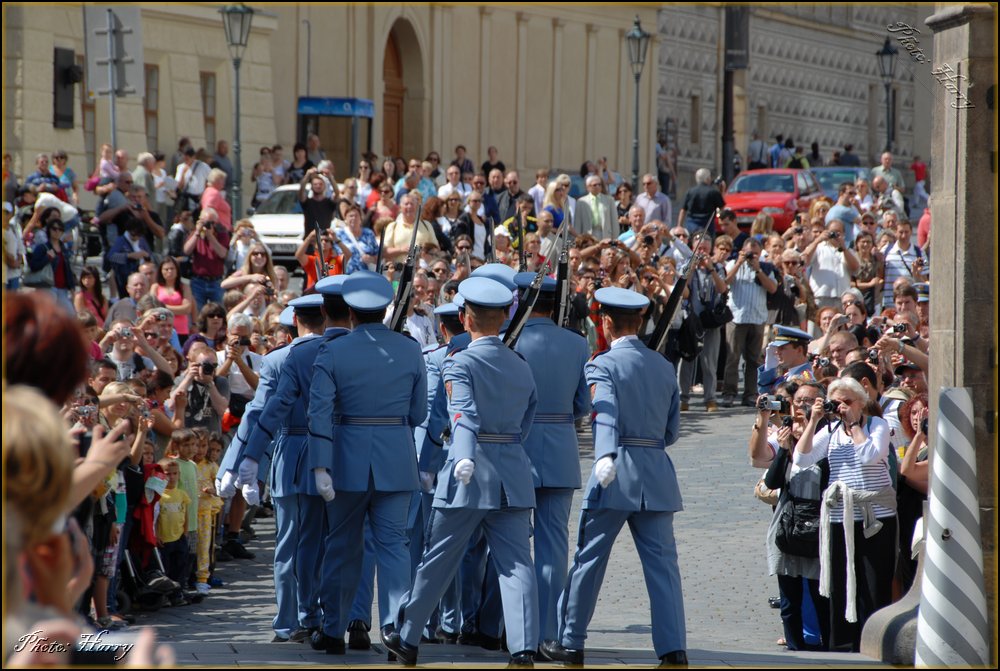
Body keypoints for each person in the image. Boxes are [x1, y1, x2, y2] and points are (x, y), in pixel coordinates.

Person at [383, 277, 538, 667]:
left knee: (438, 558)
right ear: (503, 318)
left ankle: (408, 636)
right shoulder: (521, 365)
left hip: (469, 475)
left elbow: (463, 416)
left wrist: (465, 455)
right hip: (512, 475)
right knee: (517, 564)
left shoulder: (460, 362)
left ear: (466, 319)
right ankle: (523, 648)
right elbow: (527, 421)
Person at [542, 286, 686, 667]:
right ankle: (674, 649)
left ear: (606, 322)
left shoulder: (601, 365)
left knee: (589, 560)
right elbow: (671, 431)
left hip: (616, 472)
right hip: (656, 475)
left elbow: (603, 415)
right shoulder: (663, 366)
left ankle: (571, 641)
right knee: (664, 568)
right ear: (639, 321)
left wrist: (606, 454)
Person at [308, 273, 426, 654]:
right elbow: (419, 413)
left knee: (342, 546)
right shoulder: (410, 350)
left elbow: (318, 412)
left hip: (346, 459)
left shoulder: (333, 351)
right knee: (394, 547)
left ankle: (333, 629)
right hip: (396, 458)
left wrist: (320, 464)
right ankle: (396, 629)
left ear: (351, 313)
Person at [235, 289, 352, 643]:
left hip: (292, 454)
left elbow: (263, 413)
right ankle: (327, 615)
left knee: (289, 544)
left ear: (294, 323)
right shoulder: (348, 350)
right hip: (338, 452)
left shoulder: (281, 358)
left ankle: (290, 620)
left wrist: (247, 459)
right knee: (332, 541)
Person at [510, 272, 590, 649]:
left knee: (511, 546)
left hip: (516, 448)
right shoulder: (576, 343)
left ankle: (512, 630)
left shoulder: (510, 339)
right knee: (554, 548)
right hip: (560, 448)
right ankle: (549, 633)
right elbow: (582, 405)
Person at [794, 377, 896, 652]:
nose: (841, 408)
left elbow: (870, 456)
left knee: (873, 583)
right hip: (840, 517)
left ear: (861, 403)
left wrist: (854, 425)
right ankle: (842, 645)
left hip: (875, 517)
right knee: (840, 581)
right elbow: (801, 459)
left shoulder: (877, 425)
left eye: (847, 402)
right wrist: (814, 421)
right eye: (835, 403)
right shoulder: (830, 431)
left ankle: (874, 642)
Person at [722, 238, 779, 407]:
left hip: (757, 318)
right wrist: (739, 263)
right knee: (732, 357)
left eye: (754, 253)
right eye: (748, 253)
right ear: (742, 251)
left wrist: (758, 269)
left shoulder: (766, 267)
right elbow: (725, 283)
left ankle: (750, 394)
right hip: (736, 317)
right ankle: (729, 393)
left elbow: (772, 288)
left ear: (760, 253)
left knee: (753, 360)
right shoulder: (732, 264)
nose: (751, 256)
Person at [678, 236, 729, 411]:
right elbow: (683, 288)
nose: (702, 253)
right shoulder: (687, 266)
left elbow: (722, 289)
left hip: (710, 320)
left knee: (709, 362)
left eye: (705, 249)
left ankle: (710, 398)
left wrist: (711, 268)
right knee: (687, 360)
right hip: (691, 320)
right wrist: (692, 268)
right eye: (699, 249)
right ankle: (683, 398)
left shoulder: (718, 267)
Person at [183, 207, 230, 311]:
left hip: (216, 281)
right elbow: (186, 250)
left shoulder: (222, 235)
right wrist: (197, 232)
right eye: (205, 222)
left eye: (211, 222)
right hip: (198, 281)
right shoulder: (195, 233)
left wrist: (210, 236)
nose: (208, 225)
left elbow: (223, 254)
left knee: (218, 311)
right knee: (198, 311)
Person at [676, 168, 726, 236]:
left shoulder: (690, 192)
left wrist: (679, 226)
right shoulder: (713, 192)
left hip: (691, 224)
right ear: (707, 178)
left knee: (691, 241)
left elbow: (683, 210)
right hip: (707, 224)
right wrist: (722, 192)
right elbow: (722, 207)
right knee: (707, 241)